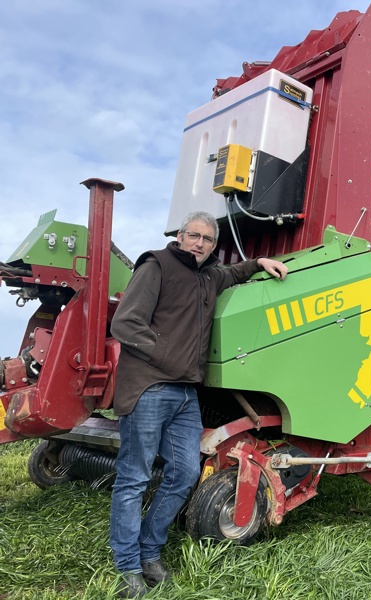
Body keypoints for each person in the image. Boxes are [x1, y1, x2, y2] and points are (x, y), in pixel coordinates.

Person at [108, 211, 287, 598]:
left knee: (185, 473)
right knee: (134, 478)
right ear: (180, 235)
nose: (199, 243)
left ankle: (149, 552)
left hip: (186, 394)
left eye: (207, 239)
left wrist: (260, 263)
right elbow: (125, 323)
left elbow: (236, 273)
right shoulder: (157, 265)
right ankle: (127, 568)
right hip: (149, 387)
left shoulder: (210, 276)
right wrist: (169, 356)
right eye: (193, 235)